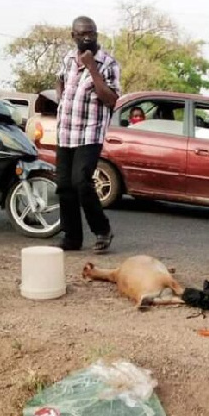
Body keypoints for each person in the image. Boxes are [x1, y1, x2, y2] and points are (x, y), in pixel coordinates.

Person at [55, 15, 120, 252]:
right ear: (73, 36)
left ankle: (102, 230)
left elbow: (111, 99)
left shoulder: (108, 64)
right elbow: (59, 80)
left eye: (91, 33)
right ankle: (72, 237)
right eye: (82, 34)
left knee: (81, 182)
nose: (87, 37)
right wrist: (61, 100)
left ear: (96, 34)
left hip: (89, 133)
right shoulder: (68, 59)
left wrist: (93, 69)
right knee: (64, 185)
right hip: (65, 132)